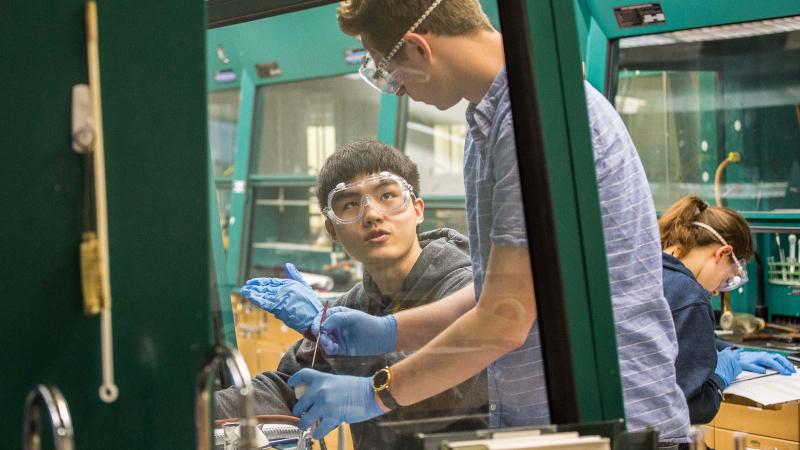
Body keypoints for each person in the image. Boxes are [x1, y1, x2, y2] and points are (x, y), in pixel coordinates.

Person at [267, 0, 691, 444]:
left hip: (610, 426)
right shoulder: (487, 125)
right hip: (546, 428)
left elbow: (506, 320)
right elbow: (504, 291)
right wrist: (388, 331)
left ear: (417, 49)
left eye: (388, 70)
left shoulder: (535, 117)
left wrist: (376, 394)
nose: (398, 89)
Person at [217, 139, 487, 449]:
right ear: (332, 231)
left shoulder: (469, 289)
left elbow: (436, 390)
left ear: (417, 210)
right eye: (350, 204)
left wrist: (328, 333)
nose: (371, 214)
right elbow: (287, 387)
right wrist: (196, 410)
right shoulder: (355, 306)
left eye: (387, 196)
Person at [659, 196, 795, 424]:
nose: (715, 291)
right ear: (722, 253)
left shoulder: (651, 271)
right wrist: (719, 378)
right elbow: (693, 406)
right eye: (727, 279)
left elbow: (677, 339)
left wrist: (733, 352)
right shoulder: (691, 297)